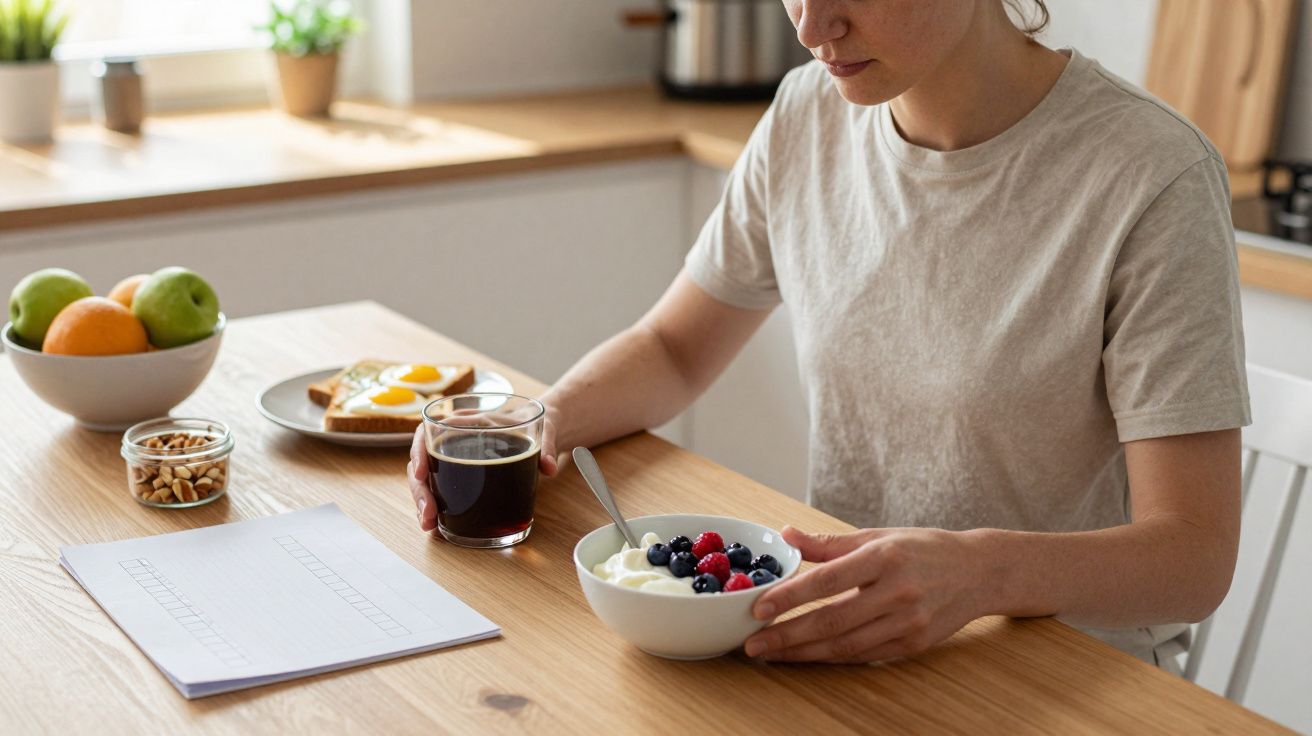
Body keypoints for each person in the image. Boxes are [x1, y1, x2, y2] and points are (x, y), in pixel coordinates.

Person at [408, 0, 1249, 671]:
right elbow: (673, 349)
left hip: (1058, 675)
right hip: (840, 652)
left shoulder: (1152, 176)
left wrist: (982, 573)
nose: (812, 26)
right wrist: (532, 425)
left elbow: (1193, 558)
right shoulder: (809, 113)